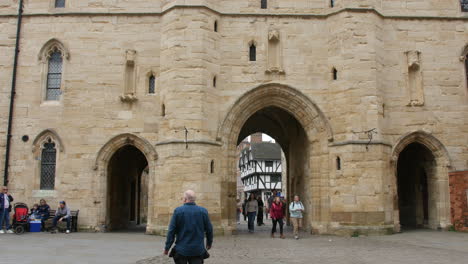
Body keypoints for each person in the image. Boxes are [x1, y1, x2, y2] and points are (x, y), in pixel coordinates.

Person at [164, 190, 213, 264]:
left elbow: (171, 231)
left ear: (185, 199)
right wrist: (209, 243)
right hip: (197, 250)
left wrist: (167, 247)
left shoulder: (178, 211)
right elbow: (209, 229)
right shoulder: (203, 211)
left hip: (181, 249)